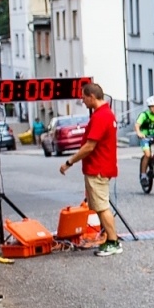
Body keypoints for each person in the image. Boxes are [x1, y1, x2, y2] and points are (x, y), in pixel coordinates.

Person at [60, 83, 123, 256]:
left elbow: (89, 146)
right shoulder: (106, 114)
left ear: (92, 97)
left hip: (98, 167)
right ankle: (111, 240)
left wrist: (69, 161)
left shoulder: (100, 116)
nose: (83, 100)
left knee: (102, 207)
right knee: (100, 205)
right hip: (102, 166)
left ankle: (113, 241)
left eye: (84, 97)